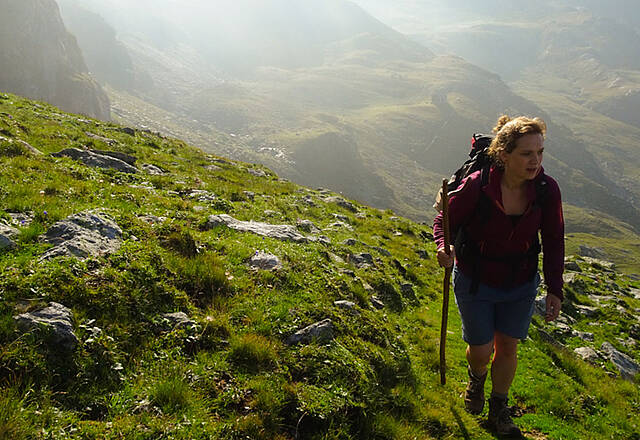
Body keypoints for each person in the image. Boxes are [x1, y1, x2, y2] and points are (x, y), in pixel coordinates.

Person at [433, 115, 564, 438]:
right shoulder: (477, 185)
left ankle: (499, 407)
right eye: (526, 154)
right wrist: (443, 247)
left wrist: (554, 289)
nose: (536, 161)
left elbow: (555, 238)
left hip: (520, 282)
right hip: (475, 279)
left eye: (540, 153)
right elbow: (444, 219)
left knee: (508, 347)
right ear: (504, 155)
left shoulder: (547, 190)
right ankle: (476, 379)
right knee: (480, 350)